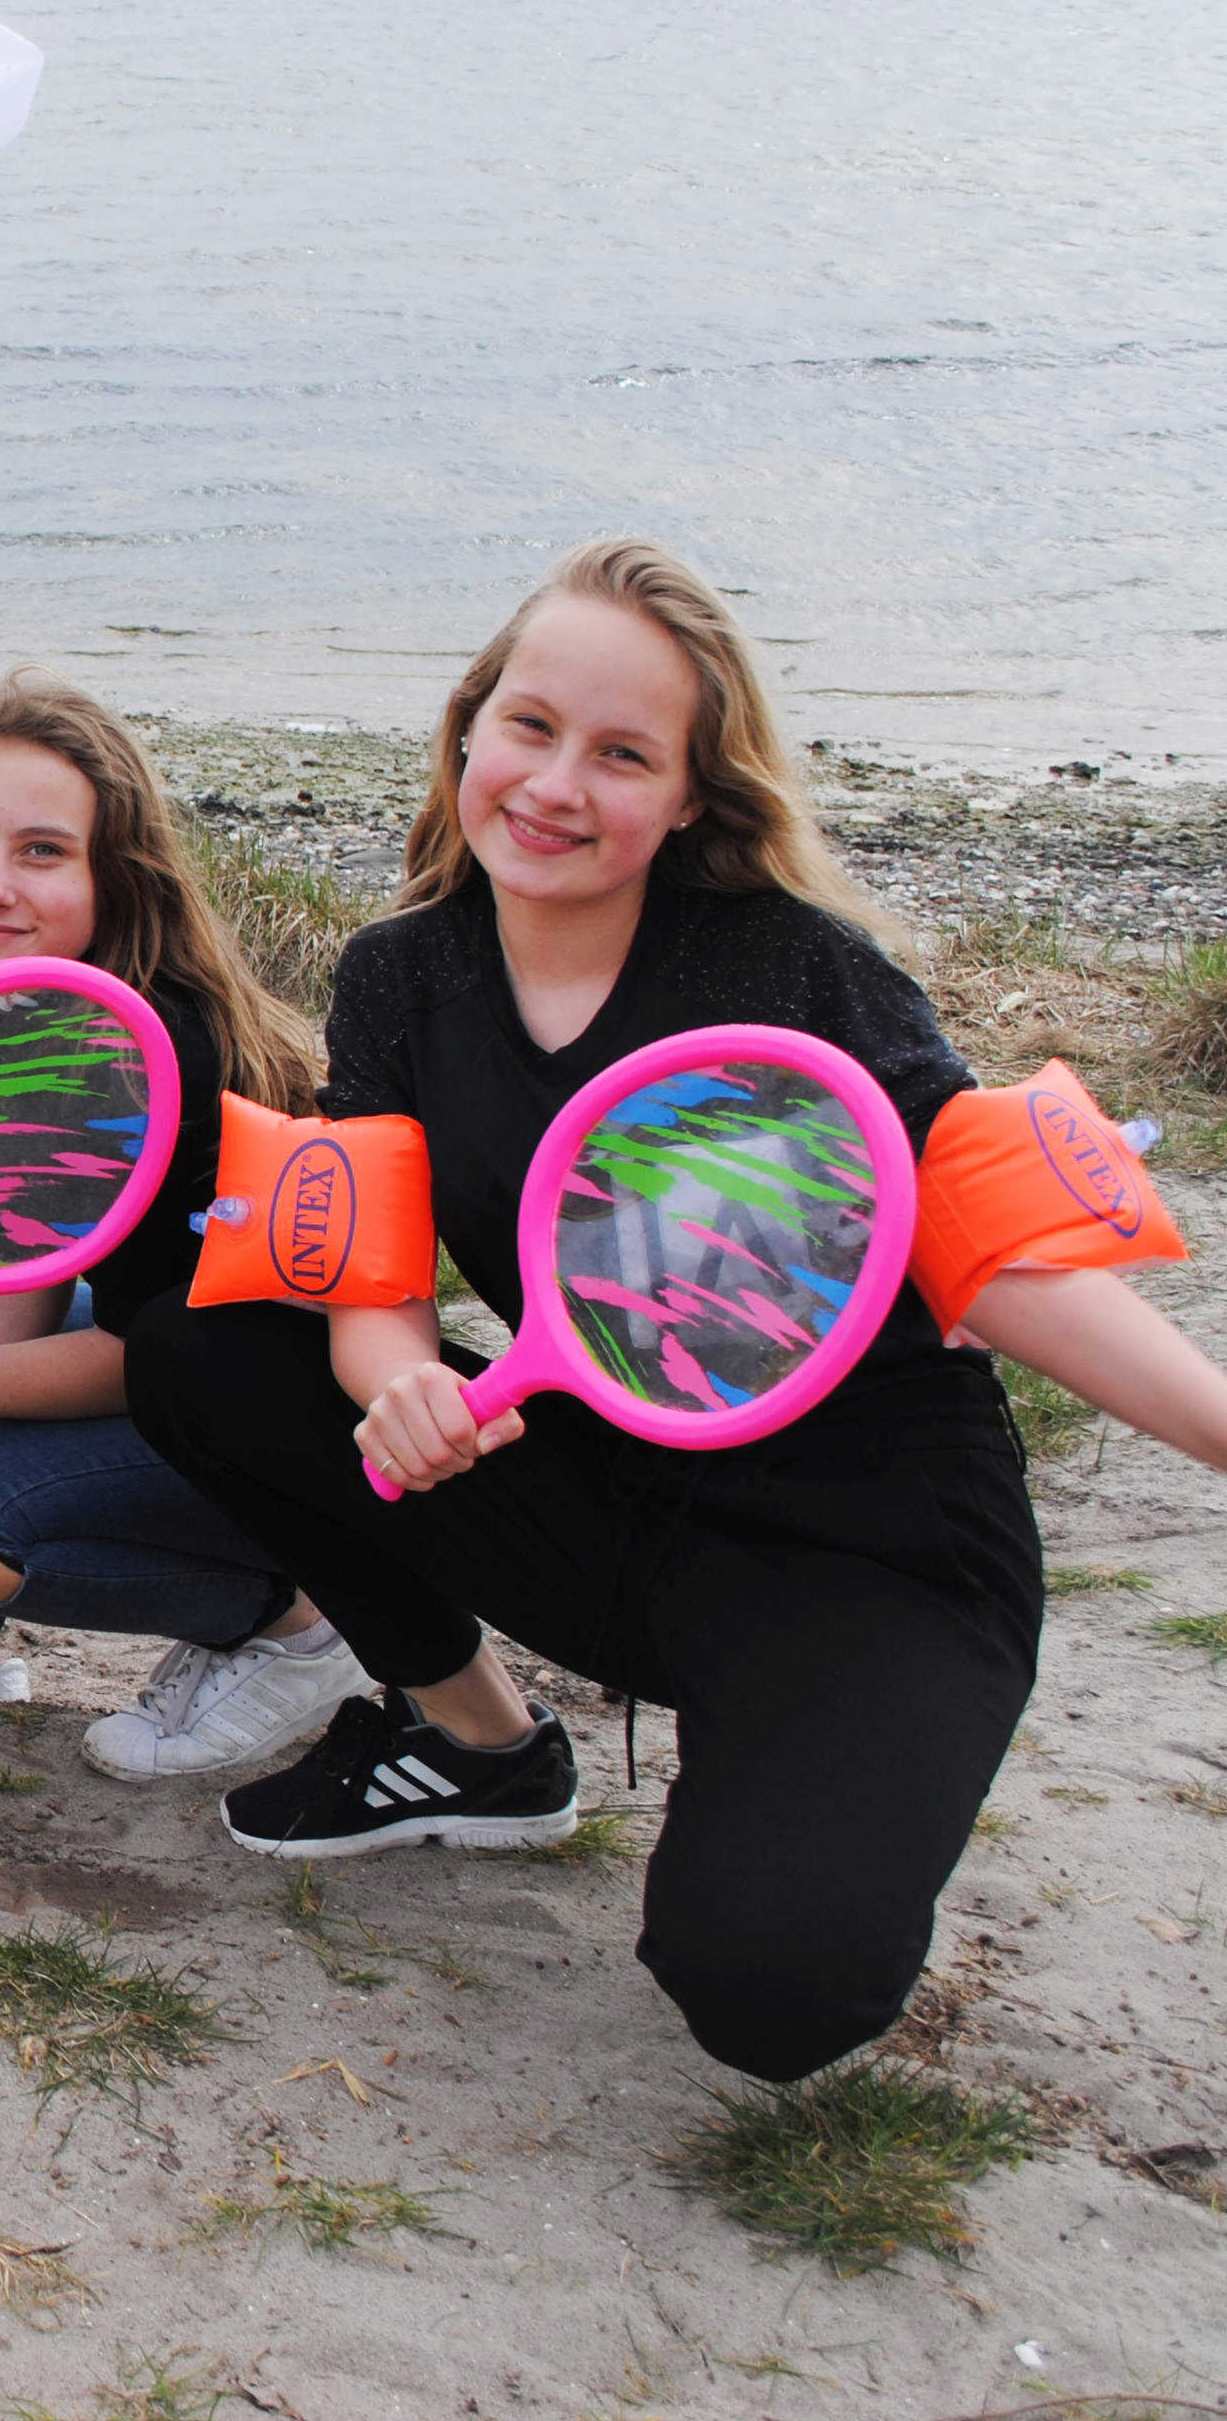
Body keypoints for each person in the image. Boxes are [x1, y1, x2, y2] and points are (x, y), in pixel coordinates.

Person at [124, 538, 1227, 2082]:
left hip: (865, 1544)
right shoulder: (401, 979)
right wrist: (396, 1388)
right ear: (468, 730)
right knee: (204, 1345)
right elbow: (372, 1290)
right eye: (530, 727)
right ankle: (479, 1746)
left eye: (623, 754)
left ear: (694, 795)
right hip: (613, 1500)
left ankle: (799, 1750)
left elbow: (1007, 1260)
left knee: (768, 1990)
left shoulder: (794, 971)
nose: (555, 785)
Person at [0, 670, 369, 1779]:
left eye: (41, 852)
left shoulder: (156, 1055)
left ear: (113, 871)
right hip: (186, 1375)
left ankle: (296, 1628)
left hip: (301, 1432)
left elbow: (173, 1356)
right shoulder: (14, 1015)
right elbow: (28, 1269)